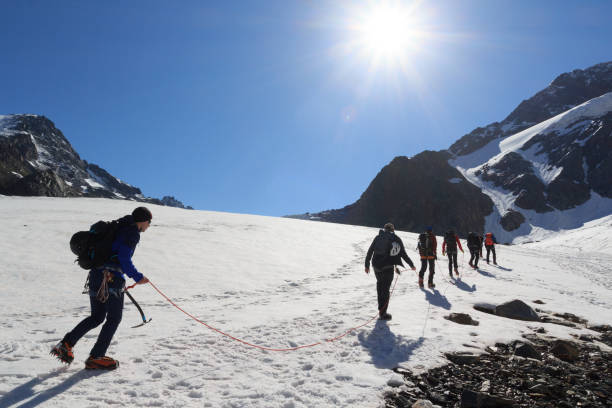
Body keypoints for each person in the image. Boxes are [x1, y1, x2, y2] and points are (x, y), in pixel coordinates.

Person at [51, 207, 152, 370]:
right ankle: (96, 357)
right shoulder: (132, 232)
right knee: (113, 318)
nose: (148, 226)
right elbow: (124, 258)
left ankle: (66, 345)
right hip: (111, 279)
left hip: (96, 275)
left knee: (97, 316)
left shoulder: (119, 226)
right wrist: (138, 277)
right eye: (149, 222)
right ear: (143, 220)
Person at [365, 223, 416, 320]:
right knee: (385, 290)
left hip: (376, 266)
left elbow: (370, 251)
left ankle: (381, 310)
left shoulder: (378, 237)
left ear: (384, 229)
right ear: (393, 230)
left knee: (380, 287)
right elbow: (403, 254)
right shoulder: (396, 238)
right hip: (388, 267)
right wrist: (411, 265)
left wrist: (367, 265)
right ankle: (383, 313)